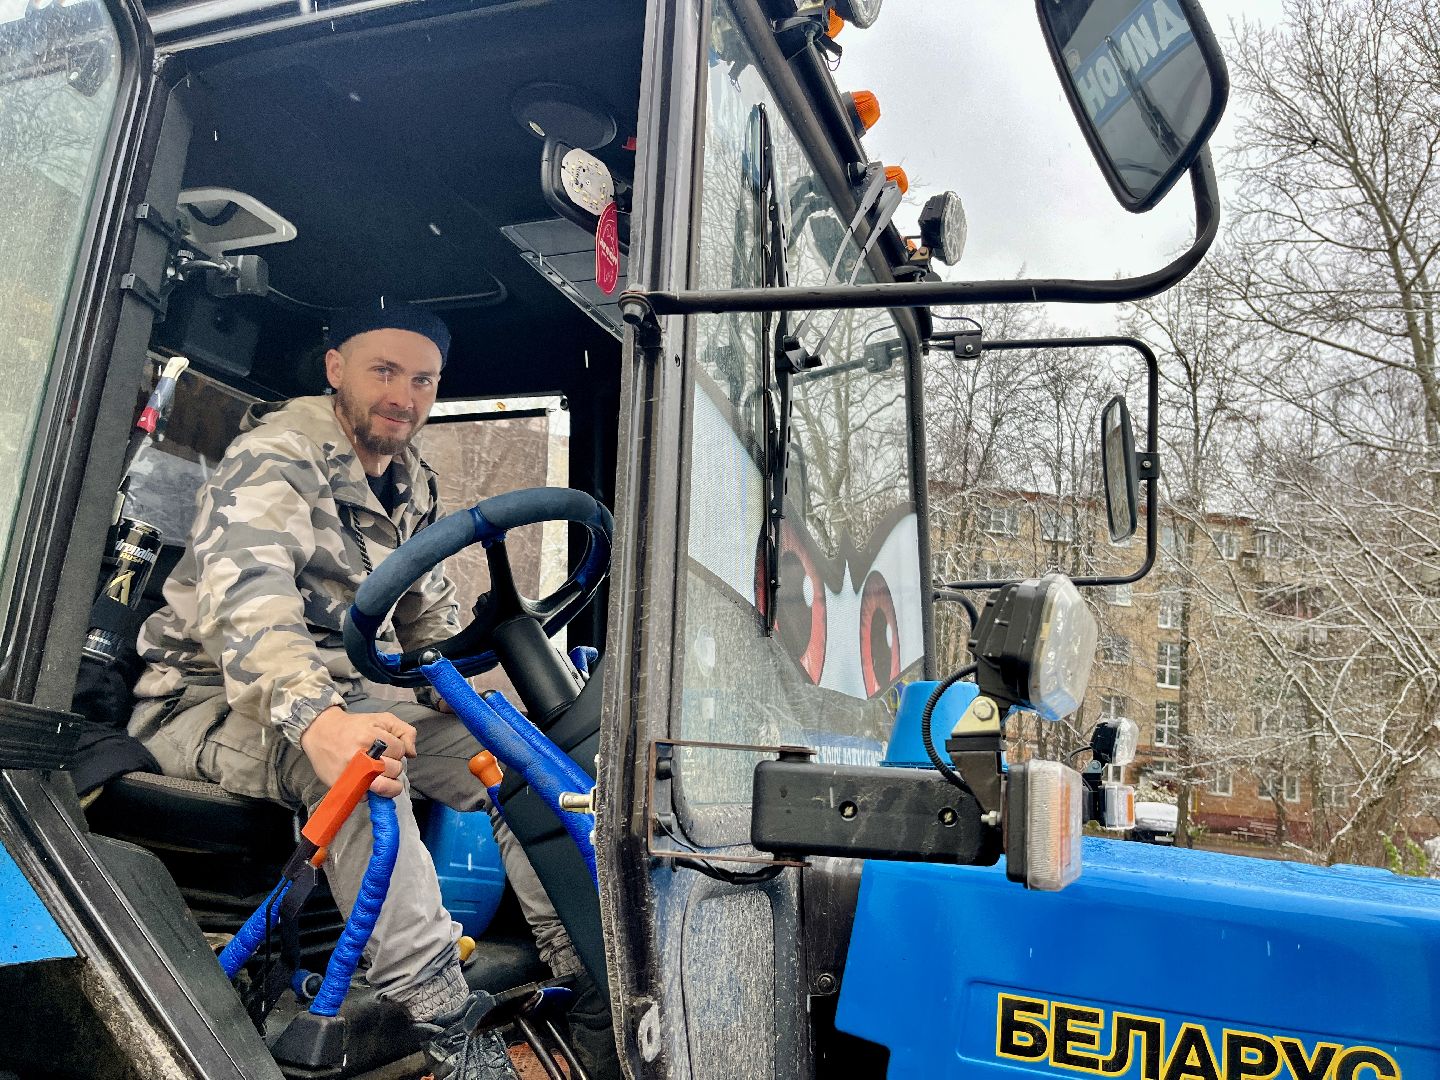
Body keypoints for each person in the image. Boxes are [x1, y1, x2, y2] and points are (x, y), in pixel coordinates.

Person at [129, 303, 603, 1080]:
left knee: (520, 756)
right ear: (336, 368)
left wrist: (459, 689)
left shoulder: (411, 480)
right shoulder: (275, 456)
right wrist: (321, 722)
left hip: (346, 691)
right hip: (208, 700)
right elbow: (250, 609)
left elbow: (425, 616)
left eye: (422, 380)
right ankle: (447, 1027)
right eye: (384, 371)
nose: (403, 395)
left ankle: (584, 973)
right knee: (361, 773)